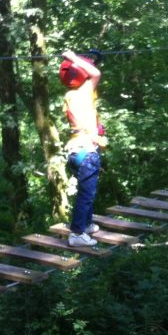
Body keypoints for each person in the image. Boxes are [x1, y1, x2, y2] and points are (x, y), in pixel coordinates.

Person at [59, 49, 107, 247]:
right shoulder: (84, 91)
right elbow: (95, 74)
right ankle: (77, 233)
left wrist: (79, 61)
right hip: (86, 152)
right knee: (86, 195)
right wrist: (74, 58)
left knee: (87, 192)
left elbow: (90, 73)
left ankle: (85, 224)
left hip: (76, 150)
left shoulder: (70, 95)